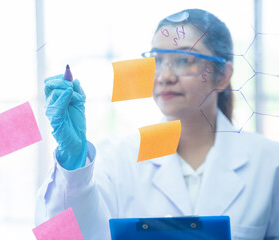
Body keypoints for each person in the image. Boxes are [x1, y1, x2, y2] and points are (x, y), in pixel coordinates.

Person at [35, 9, 279, 240]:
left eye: (184, 59)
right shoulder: (118, 158)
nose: (164, 77)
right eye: (157, 60)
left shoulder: (269, 163)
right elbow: (60, 234)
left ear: (224, 75)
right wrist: (73, 162)